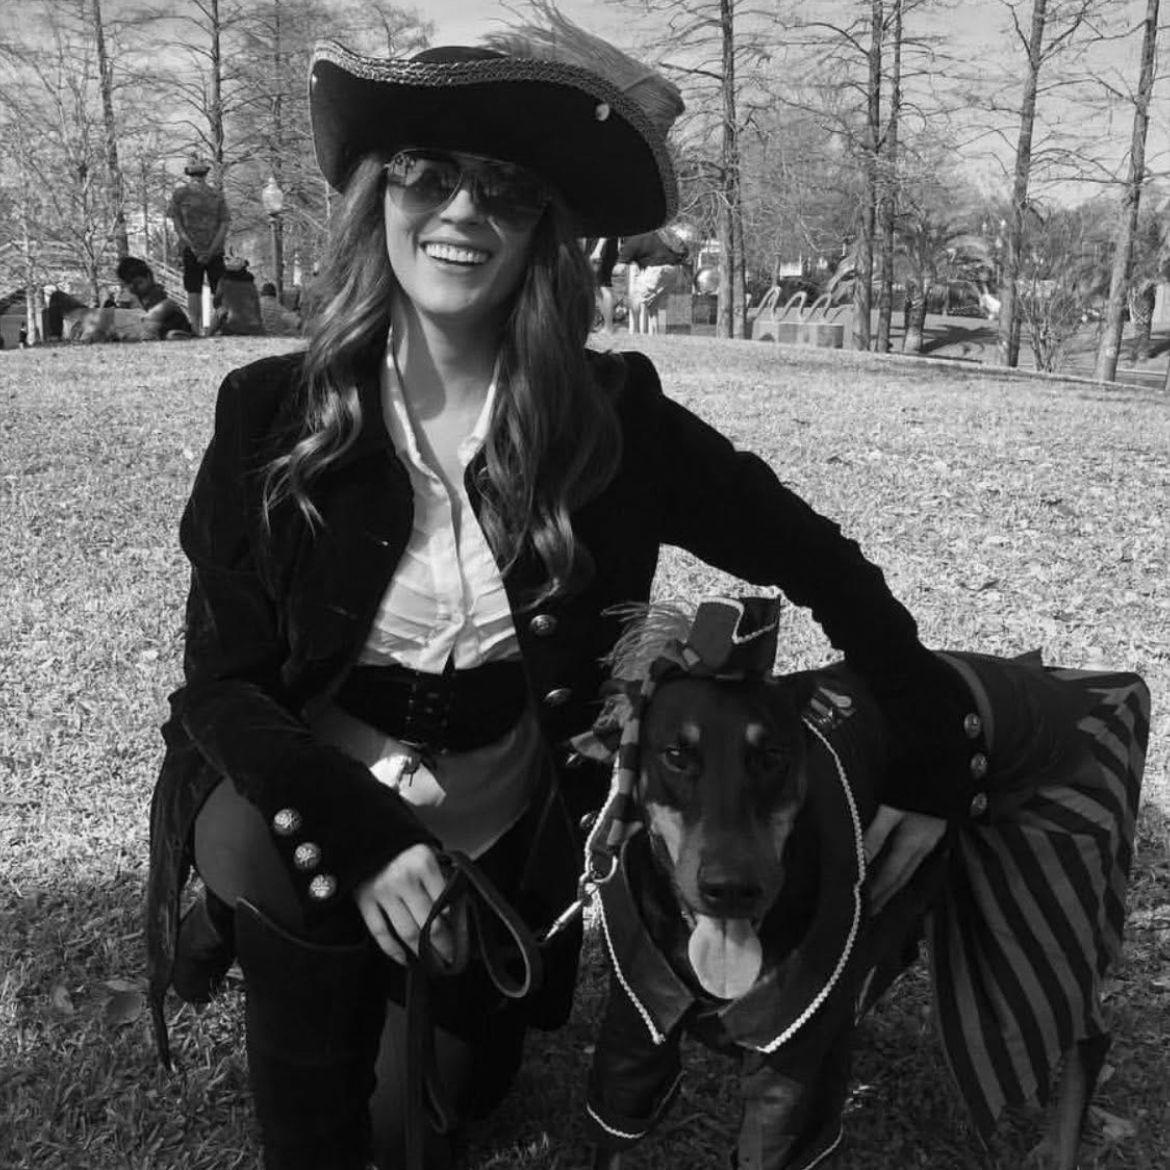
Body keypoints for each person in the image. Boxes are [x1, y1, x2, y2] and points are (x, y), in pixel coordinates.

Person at [145, 11, 982, 1170]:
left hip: (495, 826)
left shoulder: (615, 421)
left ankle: (403, 975)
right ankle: (269, 939)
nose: (460, 212)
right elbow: (222, 687)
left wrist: (936, 757)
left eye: (504, 189)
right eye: (426, 173)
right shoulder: (267, 412)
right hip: (311, 799)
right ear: (379, 195)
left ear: (546, 228)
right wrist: (369, 838)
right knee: (281, 900)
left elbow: (821, 560)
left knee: (436, 1113)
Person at [167, 153, 231, 335]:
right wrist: (211, 249)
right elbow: (224, 224)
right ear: (205, 174)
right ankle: (214, 328)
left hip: (193, 250)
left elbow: (178, 224)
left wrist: (193, 247)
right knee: (217, 290)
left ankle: (196, 328)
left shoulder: (180, 194)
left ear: (189, 174)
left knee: (194, 289)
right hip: (213, 250)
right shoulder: (216, 195)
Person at [620, 225, 689, 334]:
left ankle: (635, 331)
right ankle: (655, 334)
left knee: (634, 298)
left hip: (657, 270)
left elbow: (620, 269)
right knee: (652, 304)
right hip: (675, 270)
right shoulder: (655, 231)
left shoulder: (632, 240)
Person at [114, 256, 192, 339]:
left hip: (171, 325)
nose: (134, 289)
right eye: (128, 285)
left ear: (149, 277)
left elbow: (161, 312)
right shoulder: (132, 296)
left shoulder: (156, 293)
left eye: (139, 283)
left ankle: (178, 334)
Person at [207, 255, 264, 336]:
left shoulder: (223, 282)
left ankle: (207, 335)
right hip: (254, 327)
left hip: (232, 326)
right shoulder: (251, 284)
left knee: (219, 311)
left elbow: (216, 302)